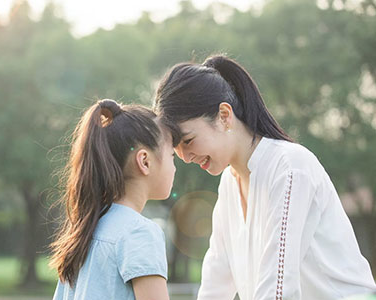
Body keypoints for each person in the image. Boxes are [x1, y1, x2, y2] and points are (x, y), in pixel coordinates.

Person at [154, 54, 376, 300]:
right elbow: (216, 281)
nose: (185, 157)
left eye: (188, 141)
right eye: (177, 150)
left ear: (224, 116)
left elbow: (278, 289)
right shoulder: (229, 182)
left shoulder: (289, 167)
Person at [50, 99, 176, 300]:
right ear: (145, 161)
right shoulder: (140, 233)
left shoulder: (84, 230)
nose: (174, 166)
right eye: (172, 155)